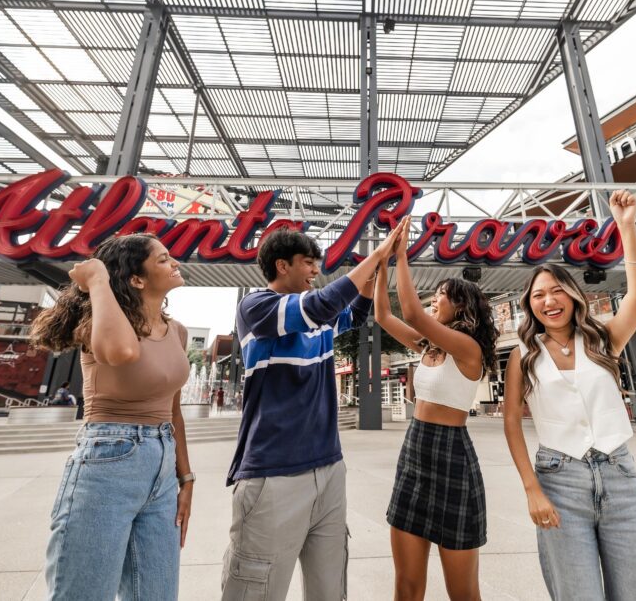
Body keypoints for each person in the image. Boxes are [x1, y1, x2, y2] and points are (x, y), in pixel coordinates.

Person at [222, 225, 401, 601]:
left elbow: (353, 314)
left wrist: (377, 270)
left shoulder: (316, 319)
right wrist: (377, 254)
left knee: (329, 589)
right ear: (282, 265)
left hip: (329, 470)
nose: (315, 271)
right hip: (273, 475)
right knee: (257, 590)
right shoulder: (256, 308)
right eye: (308, 263)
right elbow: (320, 305)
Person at [503, 190, 636, 600]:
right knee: (578, 594)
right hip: (559, 480)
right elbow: (511, 425)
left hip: (620, 475)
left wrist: (626, 227)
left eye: (556, 291)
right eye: (538, 295)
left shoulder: (604, 339)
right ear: (529, 305)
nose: (548, 300)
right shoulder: (523, 354)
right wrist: (531, 489)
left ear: (573, 296)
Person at [31, 233, 194, 601]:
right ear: (137, 279)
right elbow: (121, 351)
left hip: (162, 468)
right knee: (84, 594)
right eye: (164, 260)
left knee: (155, 595)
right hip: (107, 462)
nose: (175, 264)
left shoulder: (178, 332)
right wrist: (97, 278)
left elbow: (174, 409)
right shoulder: (101, 324)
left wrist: (186, 477)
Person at [375, 216, 498, 601]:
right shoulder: (429, 347)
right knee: (407, 585)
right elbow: (385, 316)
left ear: (461, 304)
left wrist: (402, 255)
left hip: (453, 459)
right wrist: (382, 265)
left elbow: (412, 313)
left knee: (462, 592)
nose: (434, 299)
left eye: (441, 294)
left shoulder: (469, 349)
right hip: (414, 454)